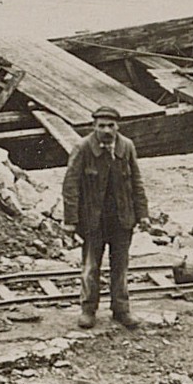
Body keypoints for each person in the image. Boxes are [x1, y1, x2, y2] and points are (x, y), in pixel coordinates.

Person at [61, 104, 148, 329]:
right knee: (91, 266)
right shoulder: (82, 148)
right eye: (102, 126)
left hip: (121, 219)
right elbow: (70, 185)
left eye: (111, 125)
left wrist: (143, 214)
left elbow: (136, 181)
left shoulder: (126, 146)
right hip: (93, 220)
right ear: (94, 126)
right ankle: (88, 310)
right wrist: (70, 220)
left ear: (117, 126)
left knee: (120, 267)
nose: (107, 130)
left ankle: (121, 310)